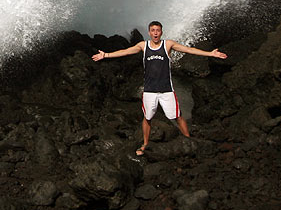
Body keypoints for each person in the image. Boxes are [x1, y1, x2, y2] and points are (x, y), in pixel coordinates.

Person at [91, 20, 227, 155]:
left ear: (161, 32)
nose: (155, 33)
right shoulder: (143, 46)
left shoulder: (168, 44)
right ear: (149, 32)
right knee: (147, 117)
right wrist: (106, 55)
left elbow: (189, 50)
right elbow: (126, 51)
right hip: (149, 91)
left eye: (158, 30)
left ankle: (189, 140)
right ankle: (145, 144)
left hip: (167, 90)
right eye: (153, 30)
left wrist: (210, 53)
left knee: (177, 116)